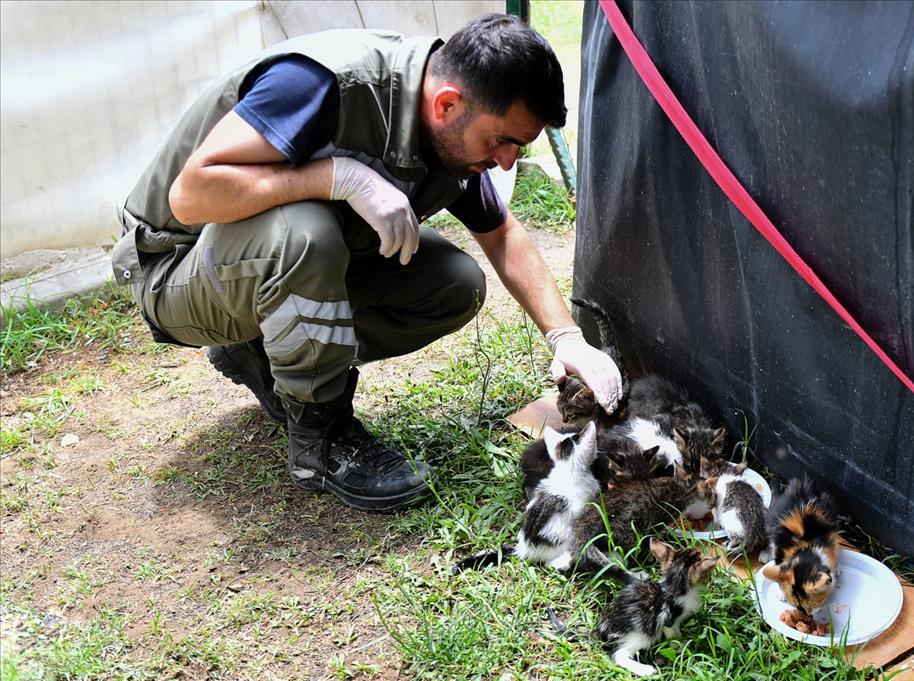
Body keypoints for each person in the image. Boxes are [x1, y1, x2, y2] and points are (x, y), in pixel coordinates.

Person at [110, 14, 620, 512]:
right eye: (501, 141)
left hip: (251, 268)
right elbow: (192, 195)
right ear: (447, 105)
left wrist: (566, 337)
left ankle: (257, 352)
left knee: (453, 283)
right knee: (303, 233)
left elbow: (502, 232)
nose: (508, 161)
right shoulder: (322, 85)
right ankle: (320, 437)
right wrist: (338, 176)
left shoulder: (447, 128)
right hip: (173, 267)